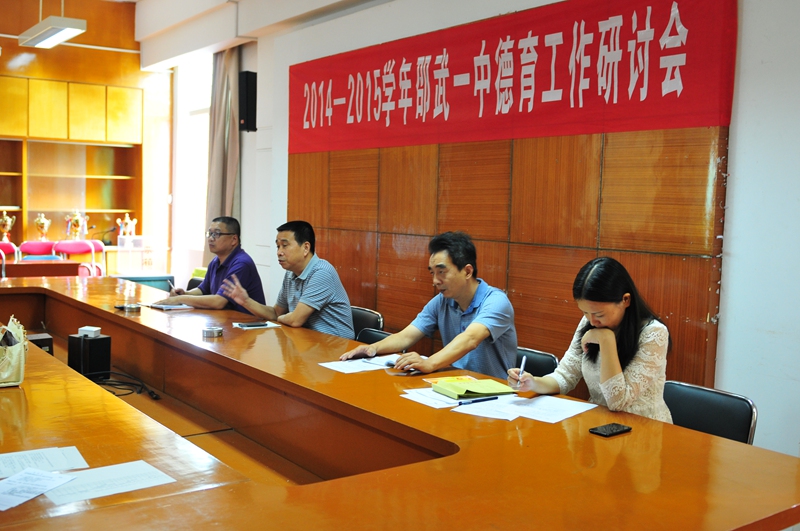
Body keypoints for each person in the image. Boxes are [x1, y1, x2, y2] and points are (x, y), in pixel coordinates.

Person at [508, 257, 672, 422]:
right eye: (585, 312)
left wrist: (606, 340)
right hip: (599, 423)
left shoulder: (654, 333)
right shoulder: (590, 322)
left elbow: (618, 402)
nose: (592, 321)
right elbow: (565, 375)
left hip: (643, 428)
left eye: (599, 314)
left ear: (625, 300)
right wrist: (533, 383)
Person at [339, 231, 517, 379]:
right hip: (455, 385)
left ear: (467, 271)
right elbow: (407, 336)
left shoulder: (496, 301)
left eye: (442, 272)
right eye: (432, 273)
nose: (435, 281)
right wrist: (373, 348)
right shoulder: (442, 301)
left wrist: (430, 363)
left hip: (495, 393)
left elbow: (470, 339)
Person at [221, 220, 355, 339]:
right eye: (278, 246)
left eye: (284, 245)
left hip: (336, 346)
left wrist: (280, 318)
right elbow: (275, 312)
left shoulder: (322, 273)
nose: (279, 252)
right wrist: (245, 301)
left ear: (306, 248)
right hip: (306, 341)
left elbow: (295, 320)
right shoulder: (290, 273)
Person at [154, 216, 265, 314]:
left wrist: (179, 299)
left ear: (234, 239)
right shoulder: (215, 261)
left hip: (247, 324)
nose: (211, 238)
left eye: (216, 234)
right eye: (209, 234)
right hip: (224, 319)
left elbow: (219, 302)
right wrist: (184, 294)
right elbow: (203, 290)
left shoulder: (241, 264)